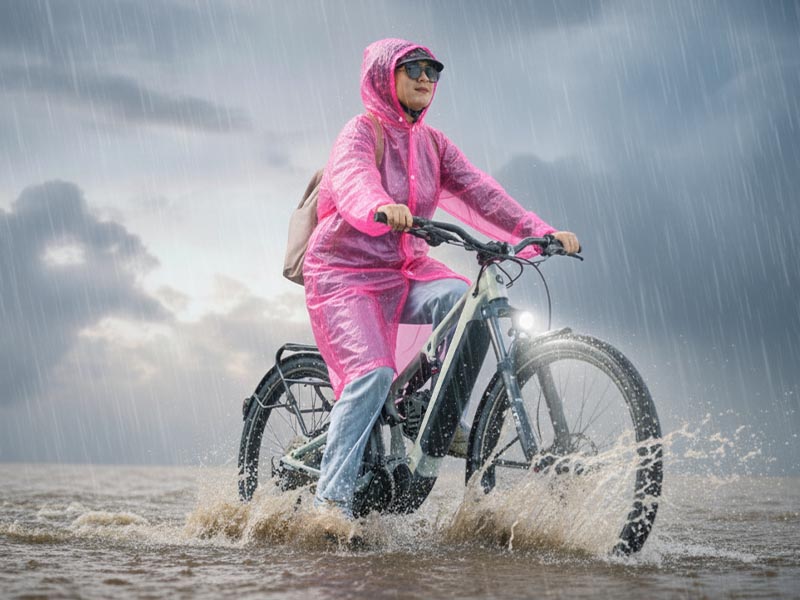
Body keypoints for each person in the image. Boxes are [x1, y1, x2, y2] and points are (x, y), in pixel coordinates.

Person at [303, 38, 579, 519]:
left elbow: (479, 190)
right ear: (386, 76)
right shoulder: (362, 131)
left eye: (434, 70)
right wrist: (379, 206)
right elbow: (351, 177)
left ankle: (427, 407)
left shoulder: (432, 144)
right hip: (345, 272)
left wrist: (540, 232)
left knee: (459, 297)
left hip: (405, 268)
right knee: (372, 374)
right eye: (414, 68)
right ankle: (329, 505)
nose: (427, 78)